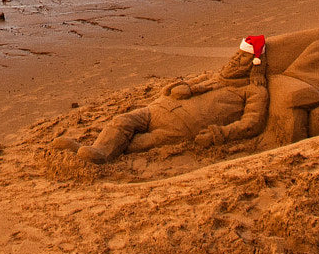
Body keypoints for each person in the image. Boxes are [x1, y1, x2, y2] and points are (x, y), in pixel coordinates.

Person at [53, 36, 269, 163]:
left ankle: (99, 155)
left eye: (243, 57)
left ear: (254, 63)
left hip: (181, 127)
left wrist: (217, 134)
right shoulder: (214, 76)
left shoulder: (252, 91)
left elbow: (251, 124)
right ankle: (96, 148)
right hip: (158, 108)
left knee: (141, 143)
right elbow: (185, 83)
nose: (234, 59)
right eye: (237, 54)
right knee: (122, 121)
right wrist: (179, 87)